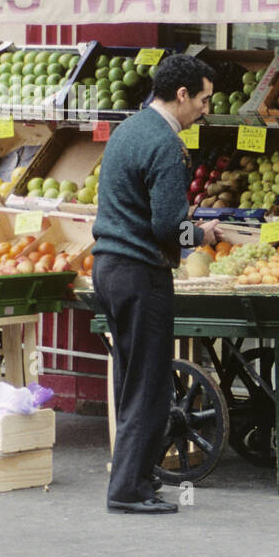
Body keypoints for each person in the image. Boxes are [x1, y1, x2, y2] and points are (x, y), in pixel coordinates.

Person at [92, 54, 219, 514]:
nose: (205, 109)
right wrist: (201, 235)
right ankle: (127, 488)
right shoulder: (167, 145)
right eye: (203, 100)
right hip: (141, 272)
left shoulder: (128, 130)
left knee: (132, 379)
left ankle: (136, 480)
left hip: (108, 266)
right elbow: (168, 226)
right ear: (182, 95)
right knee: (149, 384)